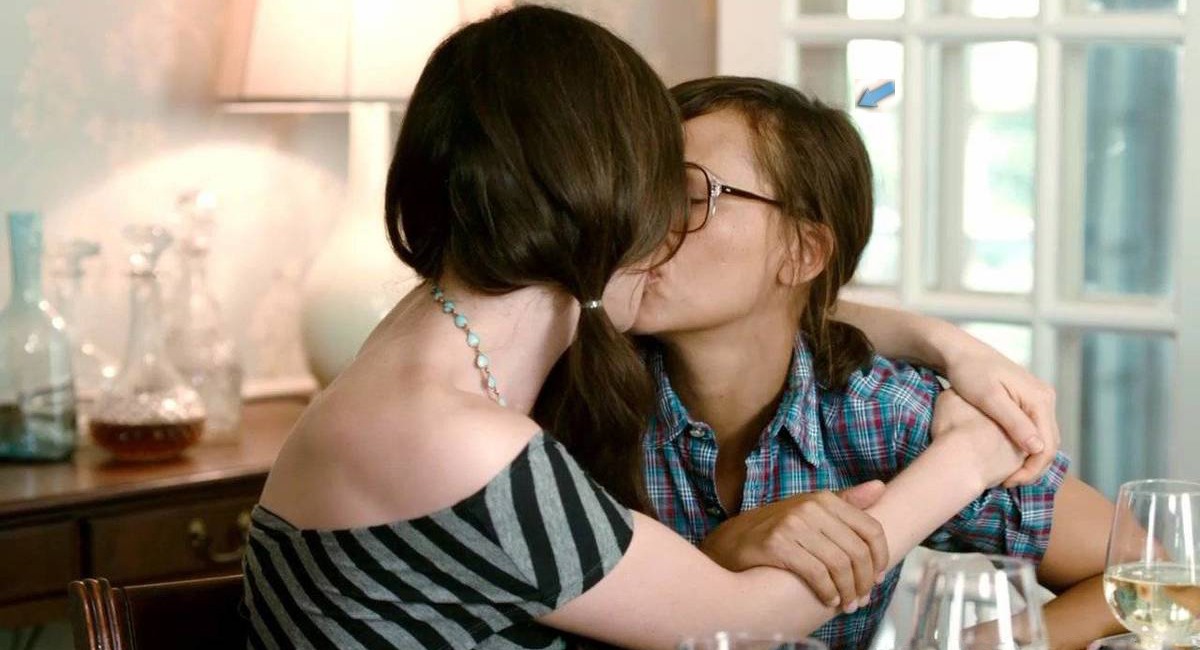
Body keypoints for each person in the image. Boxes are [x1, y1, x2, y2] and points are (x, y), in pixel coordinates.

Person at [243, 7, 1068, 649]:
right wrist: (969, 457)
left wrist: (939, 341)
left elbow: (763, 307)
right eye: (664, 180)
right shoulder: (458, 441)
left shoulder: (430, 339)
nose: (672, 214)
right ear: (599, 187)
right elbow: (741, 622)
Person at [630, 76, 1124, 650]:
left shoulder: (877, 411)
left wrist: (988, 644)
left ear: (803, 252)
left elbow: (1153, 573)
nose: (640, 222)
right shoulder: (572, 398)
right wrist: (720, 553)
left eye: (690, 194)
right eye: (639, 191)